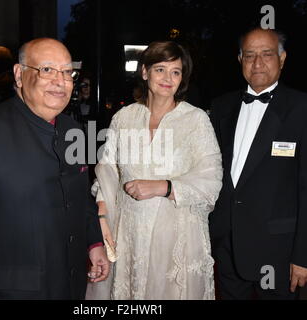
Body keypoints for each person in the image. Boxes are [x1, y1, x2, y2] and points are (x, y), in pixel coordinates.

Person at [0, 38, 110, 299]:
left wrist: (94, 243)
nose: (60, 81)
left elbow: (79, 198)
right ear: (19, 74)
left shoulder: (72, 130)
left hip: (69, 283)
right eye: (47, 70)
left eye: (67, 72)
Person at [86, 41, 223, 300]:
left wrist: (165, 186)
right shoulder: (123, 118)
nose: (167, 78)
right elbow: (106, 171)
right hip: (129, 235)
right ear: (145, 72)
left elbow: (212, 179)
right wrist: (102, 215)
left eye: (176, 71)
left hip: (177, 237)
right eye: (160, 69)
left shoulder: (196, 120)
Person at [209, 27, 307, 300]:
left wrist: (306, 255)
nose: (257, 63)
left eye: (266, 54)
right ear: (240, 59)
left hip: (279, 251)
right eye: (249, 55)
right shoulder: (221, 107)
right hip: (227, 246)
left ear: (283, 58)